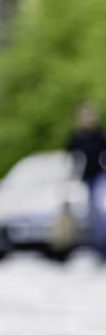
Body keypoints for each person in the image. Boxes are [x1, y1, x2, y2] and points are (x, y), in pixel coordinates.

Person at [65, 101, 106, 257]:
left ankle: (102, 246)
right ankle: (98, 248)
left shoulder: (99, 134)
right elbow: (70, 158)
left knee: (101, 211)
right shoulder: (75, 137)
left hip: (100, 177)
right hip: (85, 179)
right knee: (92, 215)